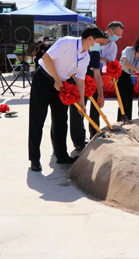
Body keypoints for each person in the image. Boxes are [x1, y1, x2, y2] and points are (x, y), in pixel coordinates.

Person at [28, 26, 107, 172]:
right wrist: (56, 79)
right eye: (99, 42)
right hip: (43, 80)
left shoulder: (86, 57)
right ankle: (35, 159)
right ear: (90, 39)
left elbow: (80, 81)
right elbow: (46, 58)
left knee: (61, 120)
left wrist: (82, 103)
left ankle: (61, 155)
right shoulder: (67, 42)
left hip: (61, 85)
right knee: (37, 120)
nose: (100, 46)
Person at [69, 48, 105, 150]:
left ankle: (94, 133)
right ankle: (79, 140)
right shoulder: (76, 49)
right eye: (98, 41)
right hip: (76, 80)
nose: (99, 44)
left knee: (96, 108)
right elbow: (68, 69)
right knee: (78, 111)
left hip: (90, 81)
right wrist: (78, 80)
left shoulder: (95, 52)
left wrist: (101, 93)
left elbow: (97, 73)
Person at [117, 34, 139, 121]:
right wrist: (137, 70)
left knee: (130, 100)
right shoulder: (128, 50)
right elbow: (125, 63)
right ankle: (121, 120)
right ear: (138, 44)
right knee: (123, 100)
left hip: (131, 77)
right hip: (122, 75)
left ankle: (128, 119)